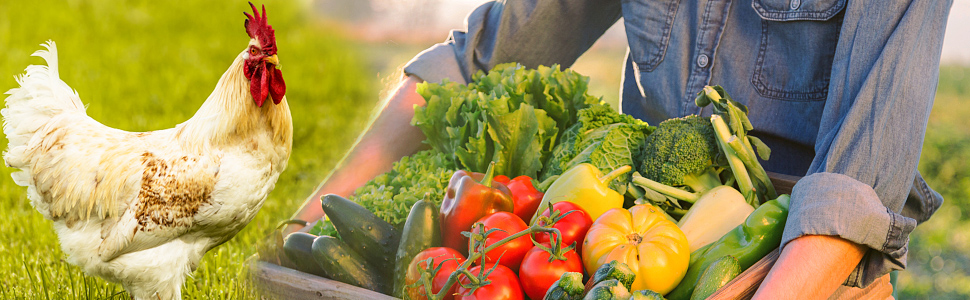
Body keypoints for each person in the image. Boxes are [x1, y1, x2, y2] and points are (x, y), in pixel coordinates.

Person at [289, 0, 951, 298]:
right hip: (633, 259)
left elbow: (854, 193)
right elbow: (479, 61)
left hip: (809, 279)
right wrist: (317, 207)